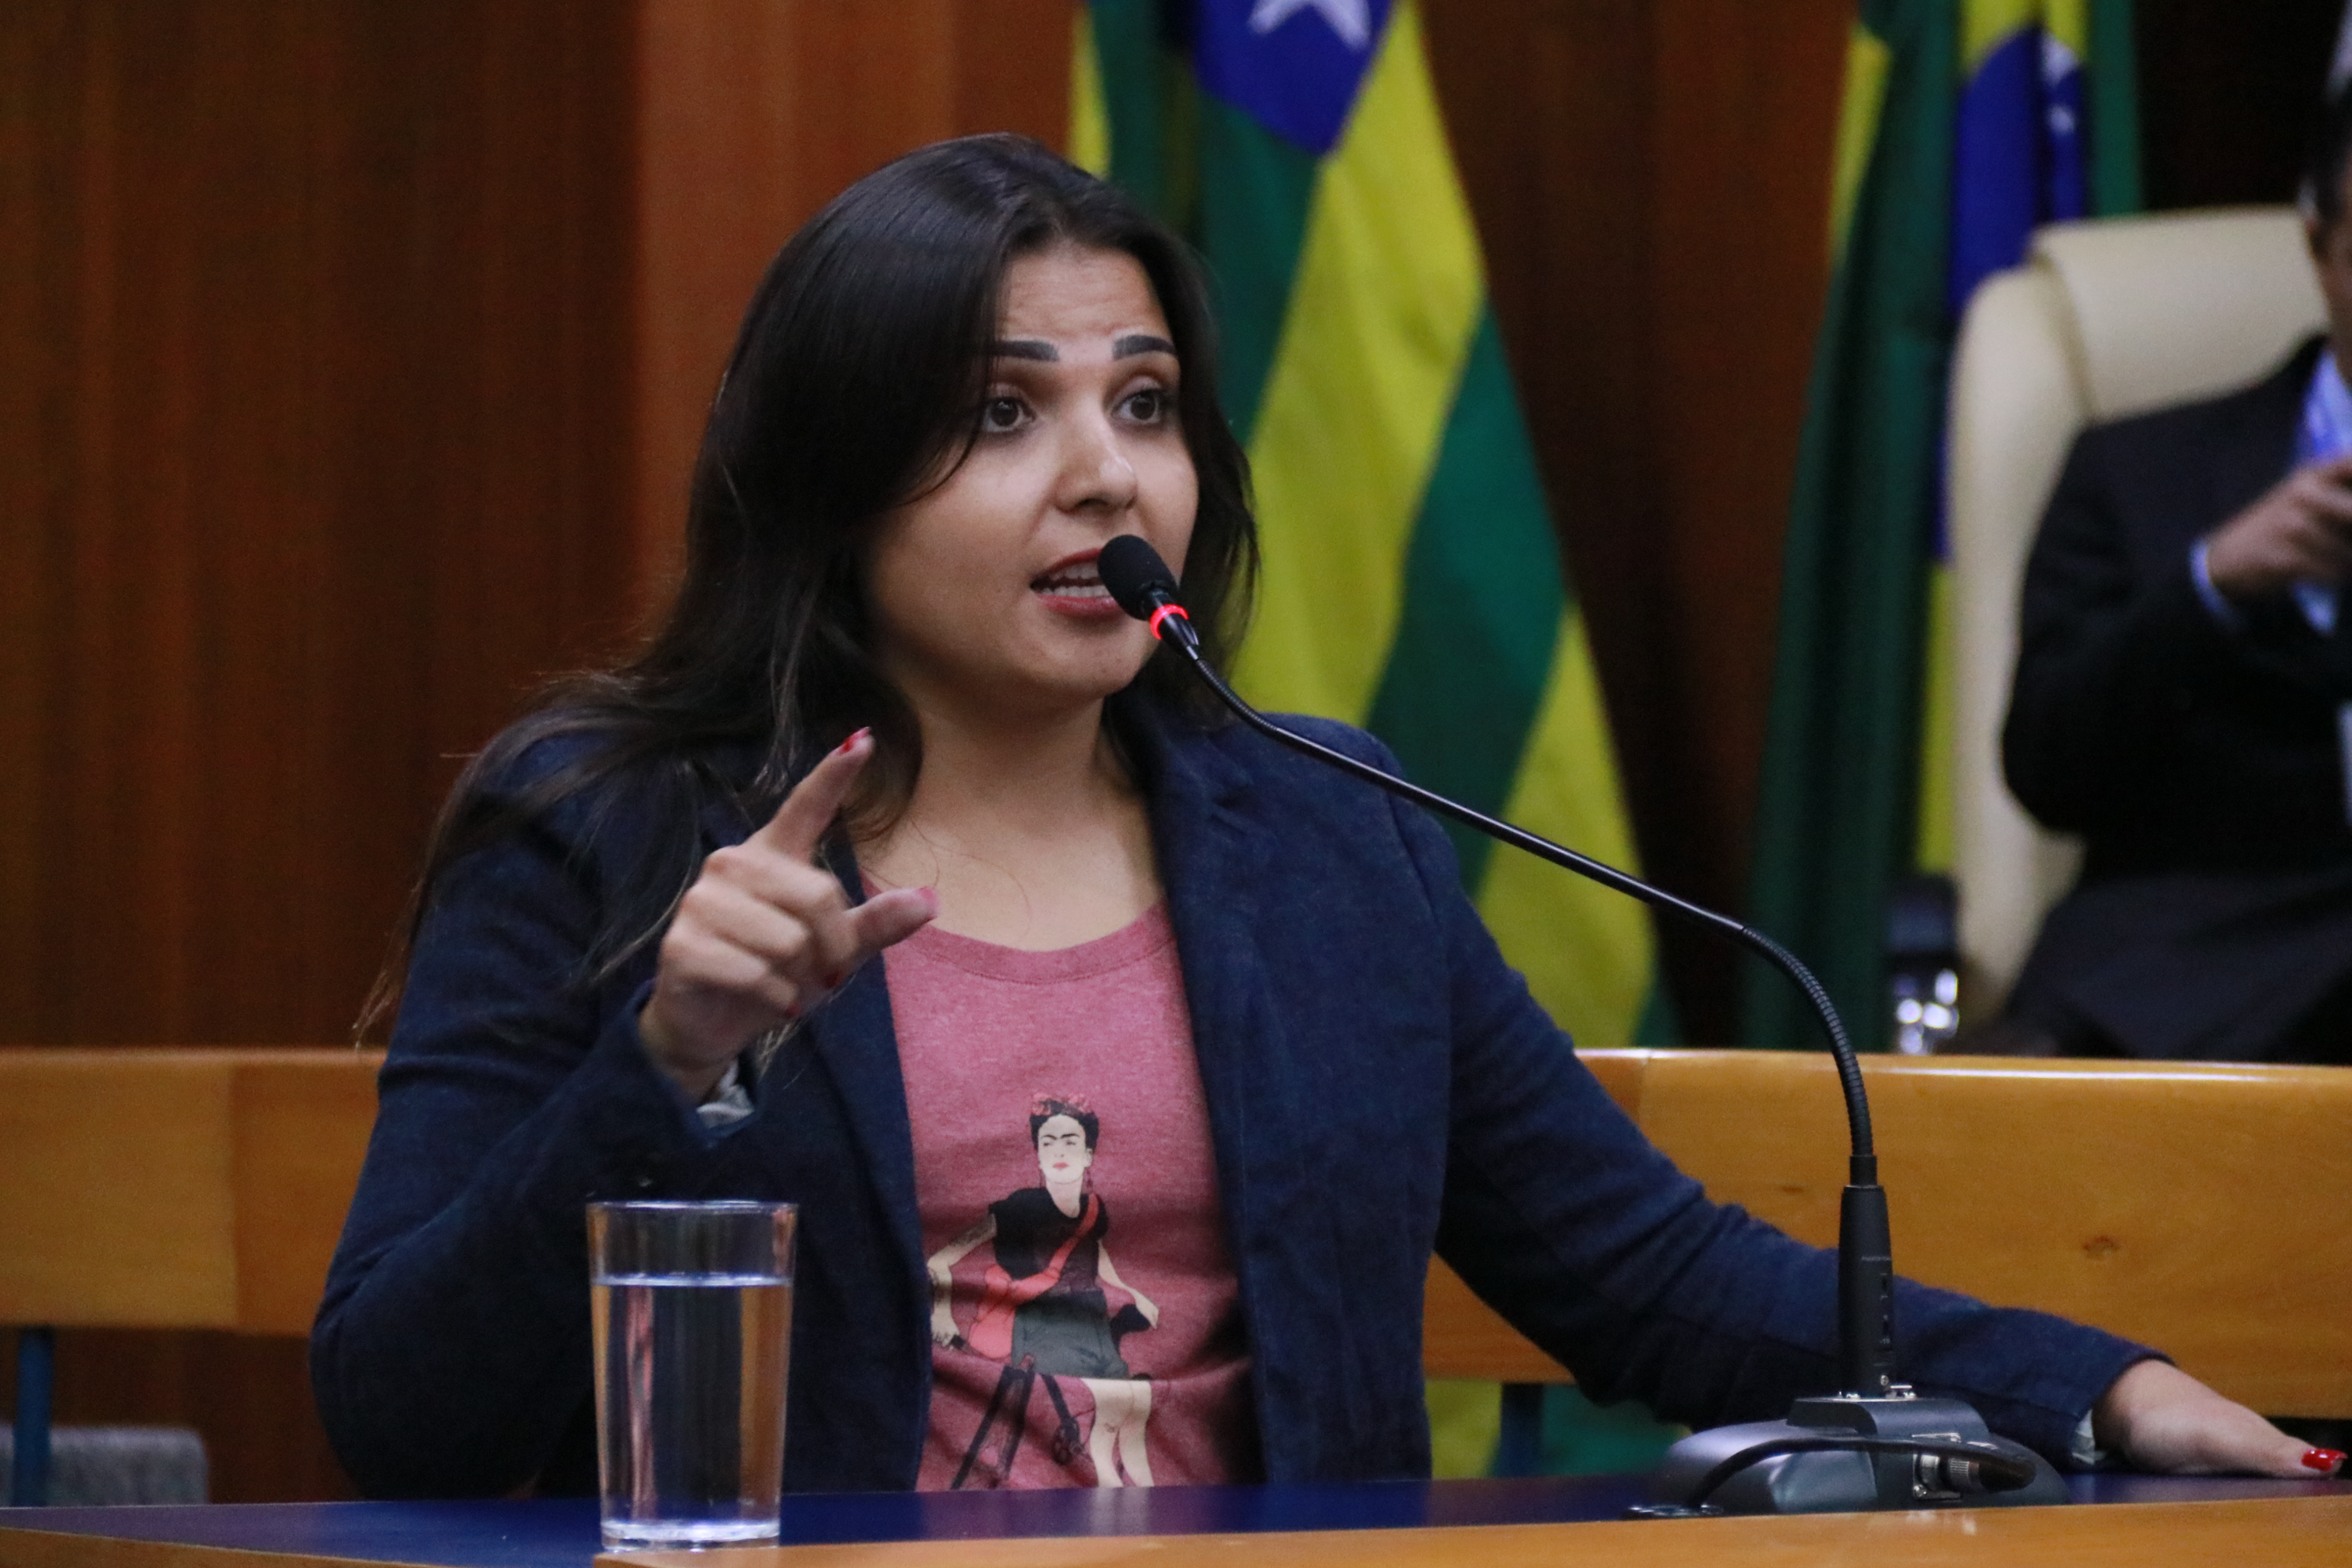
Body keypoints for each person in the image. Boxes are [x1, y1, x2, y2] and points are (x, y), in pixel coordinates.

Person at [313, 134, 2333, 1499]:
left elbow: (1648, 1270)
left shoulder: (1319, 830)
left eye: (1145, 403)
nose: (1107, 475)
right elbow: (396, 1410)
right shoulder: (605, 827)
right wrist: (667, 1062)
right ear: (834, 483)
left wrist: (2096, 1384)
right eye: (1004, 412)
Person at [2001, 88, 2352, 1062]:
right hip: (2192, 933)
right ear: (2319, 245)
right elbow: (2047, 767)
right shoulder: (2137, 468)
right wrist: (2209, 585)